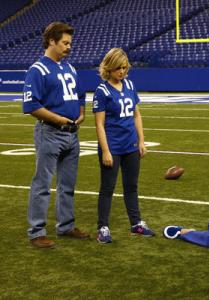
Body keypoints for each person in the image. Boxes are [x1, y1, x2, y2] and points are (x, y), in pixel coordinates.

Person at [23, 22, 90, 249]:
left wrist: (80, 114)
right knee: (42, 183)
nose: (69, 47)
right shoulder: (38, 70)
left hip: (72, 134)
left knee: (67, 184)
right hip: (50, 133)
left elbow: (81, 95)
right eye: (65, 42)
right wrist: (59, 119)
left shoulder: (69, 68)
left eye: (70, 43)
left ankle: (66, 226)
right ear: (52, 41)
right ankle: (36, 232)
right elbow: (32, 105)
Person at [92, 48, 155, 243]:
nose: (122, 71)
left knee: (131, 186)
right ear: (109, 68)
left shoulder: (129, 84)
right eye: (118, 68)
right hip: (113, 147)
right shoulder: (102, 91)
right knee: (107, 188)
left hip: (130, 146)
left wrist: (141, 141)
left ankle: (136, 224)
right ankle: (102, 228)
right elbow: (99, 125)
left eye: (124, 67)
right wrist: (106, 151)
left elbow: (136, 115)